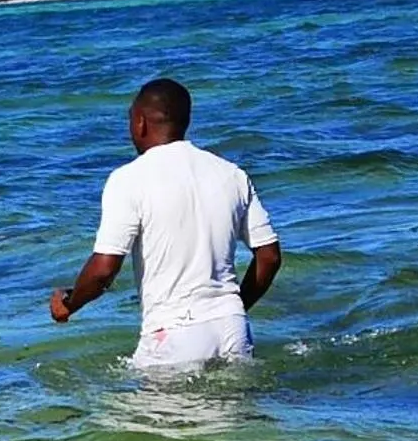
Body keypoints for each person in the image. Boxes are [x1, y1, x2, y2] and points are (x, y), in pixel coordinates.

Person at [50, 77, 282, 369]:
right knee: (233, 413)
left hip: (173, 333)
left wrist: (69, 304)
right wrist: (231, 309)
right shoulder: (231, 173)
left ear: (140, 123)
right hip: (233, 326)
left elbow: (103, 270)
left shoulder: (128, 179)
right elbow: (269, 256)